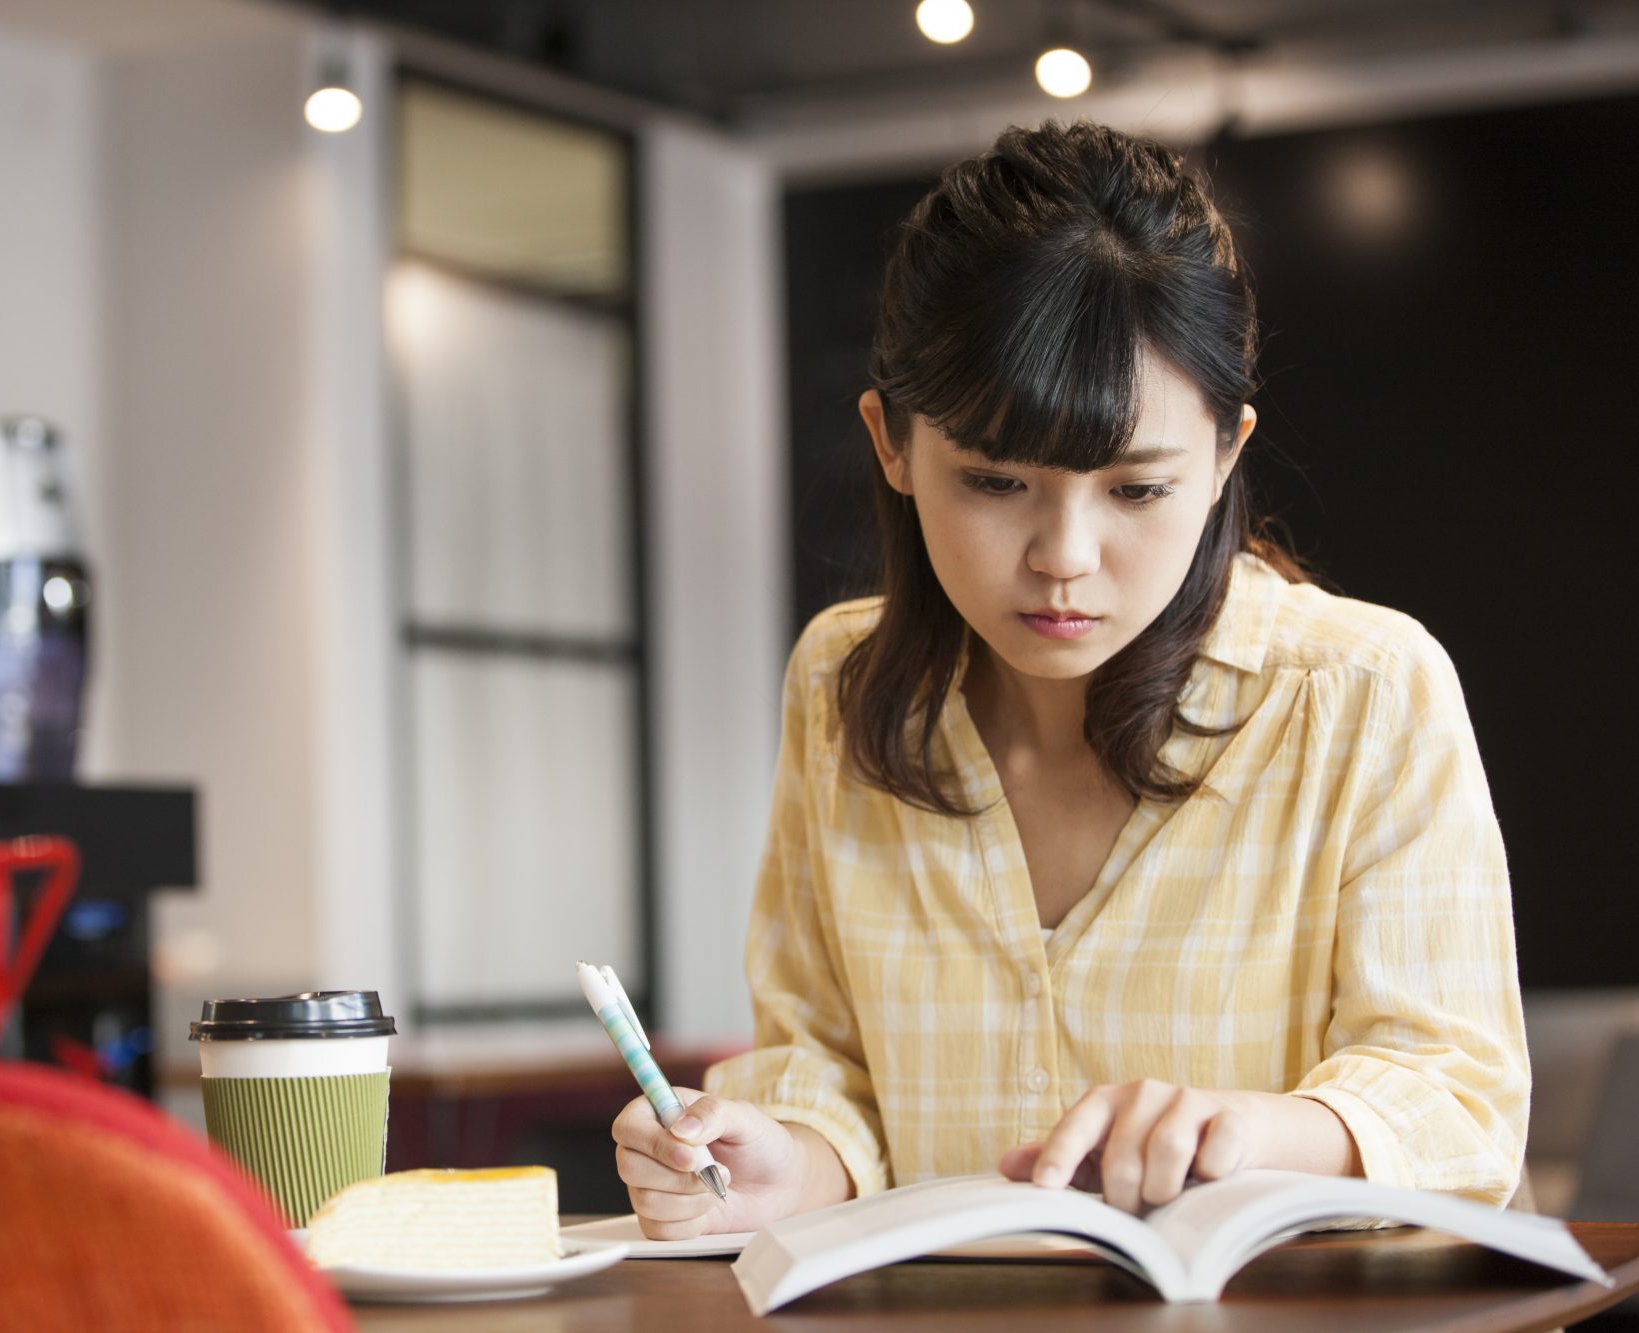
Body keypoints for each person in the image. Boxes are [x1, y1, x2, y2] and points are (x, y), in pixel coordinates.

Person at [612, 120, 1528, 1238]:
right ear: (889, 443)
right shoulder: (842, 686)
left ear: (1224, 453)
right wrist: (779, 1162)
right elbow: (827, 1070)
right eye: (995, 481)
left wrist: (1244, 1132)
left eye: (1136, 491)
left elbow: (1458, 1102)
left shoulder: (1362, 690)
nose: (1063, 557)